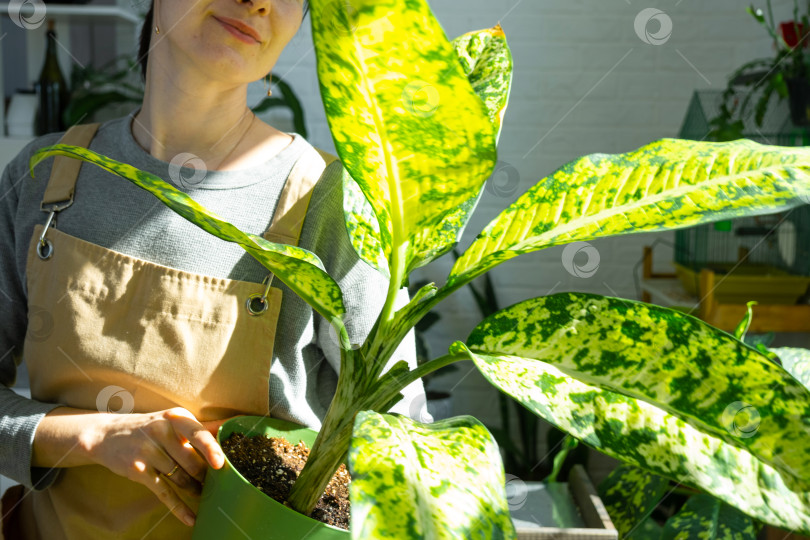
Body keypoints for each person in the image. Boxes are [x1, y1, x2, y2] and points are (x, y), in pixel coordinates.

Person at [0, 0, 428, 537]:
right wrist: (91, 436)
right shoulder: (46, 178)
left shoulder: (333, 206)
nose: (260, 2)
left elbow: (404, 444)